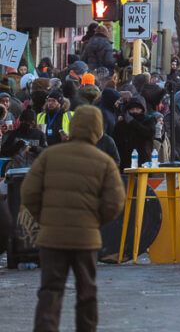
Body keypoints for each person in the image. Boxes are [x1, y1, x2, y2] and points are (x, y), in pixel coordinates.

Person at [20, 105, 124, 332]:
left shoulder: (50, 155)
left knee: (50, 290)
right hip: (86, 239)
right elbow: (115, 202)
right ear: (98, 129)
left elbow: (28, 192)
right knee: (87, 291)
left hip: (52, 238)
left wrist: (45, 218)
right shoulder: (104, 162)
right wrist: (95, 222)